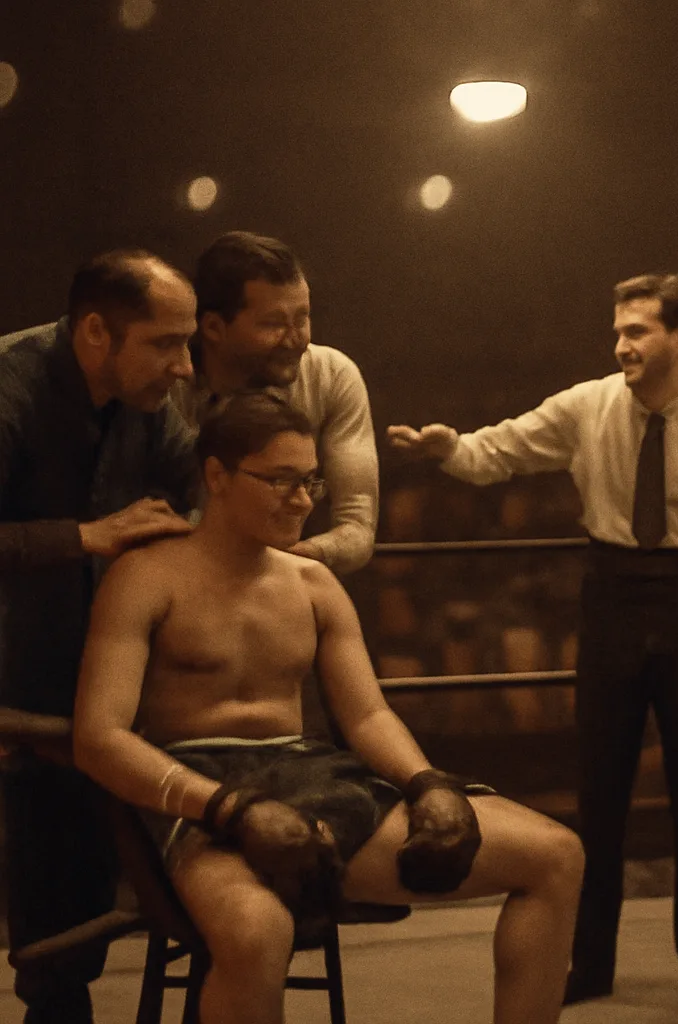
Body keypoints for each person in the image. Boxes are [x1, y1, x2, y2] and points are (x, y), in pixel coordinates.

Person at [72, 391, 584, 1024]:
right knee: (258, 932)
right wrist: (230, 807)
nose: (304, 499)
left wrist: (427, 783)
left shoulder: (312, 583)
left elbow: (367, 716)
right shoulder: (146, 577)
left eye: (310, 479)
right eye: (281, 480)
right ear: (216, 476)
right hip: (193, 790)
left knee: (557, 855)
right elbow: (99, 738)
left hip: (312, 779)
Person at [388, 273, 678, 1009]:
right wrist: (449, 447)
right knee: (598, 789)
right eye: (617, 331)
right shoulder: (587, 404)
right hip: (610, 592)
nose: (621, 344)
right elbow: (501, 451)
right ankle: (590, 960)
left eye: (637, 331)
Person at [0, 249, 197, 1023]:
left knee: (91, 867)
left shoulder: (146, 403)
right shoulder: (12, 387)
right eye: (166, 343)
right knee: (46, 872)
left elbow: (197, 488)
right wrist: (83, 536)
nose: (184, 366)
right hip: (19, 665)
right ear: (94, 332)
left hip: (104, 666)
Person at [174, 231, 377, 575]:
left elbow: (358, 526)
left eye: (302, 318)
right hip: (177, 577)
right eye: (273, 324)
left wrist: (294, 562)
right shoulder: (168, 382)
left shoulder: (331, 375)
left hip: (294, 585)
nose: (295, 339)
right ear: (212, 327)